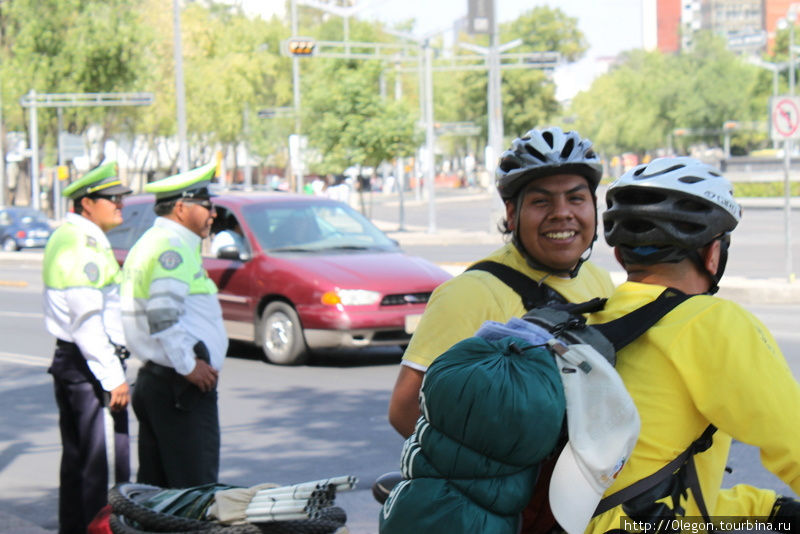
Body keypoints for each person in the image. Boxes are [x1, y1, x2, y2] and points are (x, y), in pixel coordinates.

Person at [574, 157, 800, 533]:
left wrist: (764, 508)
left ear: (620, 254)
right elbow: (793, 442)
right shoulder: (711, 322)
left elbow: (637, 485)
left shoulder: (597, 323)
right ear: (713, 254)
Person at [388, 126, 616, 438]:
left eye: (576, 198)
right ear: (512, 214)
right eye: (541, 202)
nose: (562, 213)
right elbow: (405, 411)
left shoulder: (599, 280)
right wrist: (497, 474)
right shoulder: (469, 295)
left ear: (593, 206)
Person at [121, 162, 227, 488]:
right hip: (178, 388)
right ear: (181, 208)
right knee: (194, 492)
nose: (213, 213)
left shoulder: (155, 241)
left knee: (158, 493)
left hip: (160, 381)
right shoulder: (173, 247)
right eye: (206, 205)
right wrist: (188, 366)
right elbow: (162, 313)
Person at [42, 161, 133, 534]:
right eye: (111, 198)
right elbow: (87, 322)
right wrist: (114, 378)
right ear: (86, 203)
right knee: (106, 470)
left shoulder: (68, 236)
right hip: (93, 367)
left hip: (73, 362)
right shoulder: (83, 244)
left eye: (120, 198)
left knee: (79, 465)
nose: (119, 205)